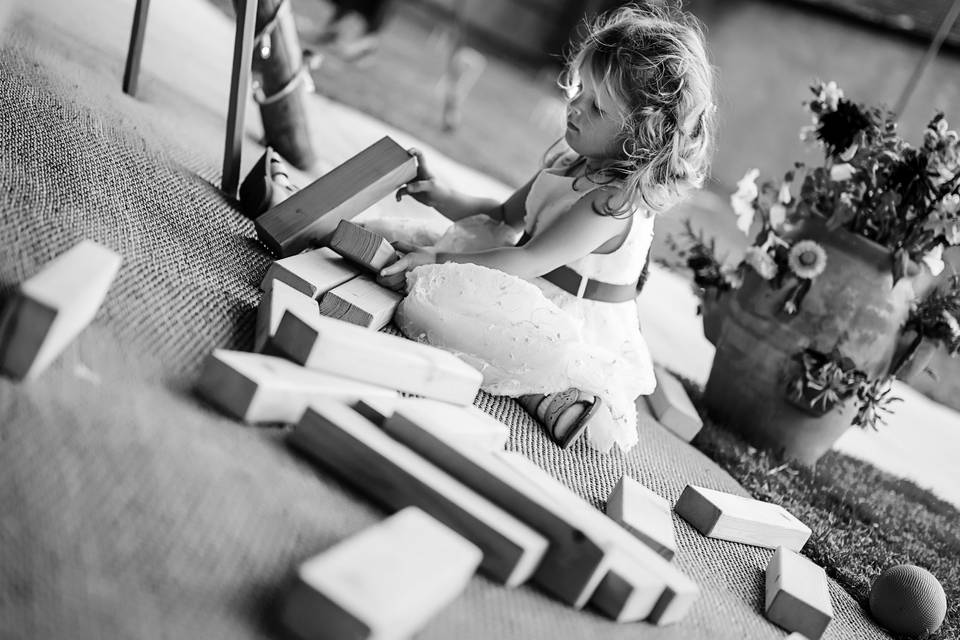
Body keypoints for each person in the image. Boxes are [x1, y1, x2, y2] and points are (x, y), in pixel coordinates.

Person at [380, 3, 716, 453]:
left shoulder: (611, 203)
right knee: (419, 252)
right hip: (526, 277)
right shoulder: (569, 159)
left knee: (438, 299)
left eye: (595, 106)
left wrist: (440, 261)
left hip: (565, 313)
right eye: (581, 89)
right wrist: (440, 194)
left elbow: (527, 257)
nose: (574, 105)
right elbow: (504, 216)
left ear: (641, 138)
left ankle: (563, 393)